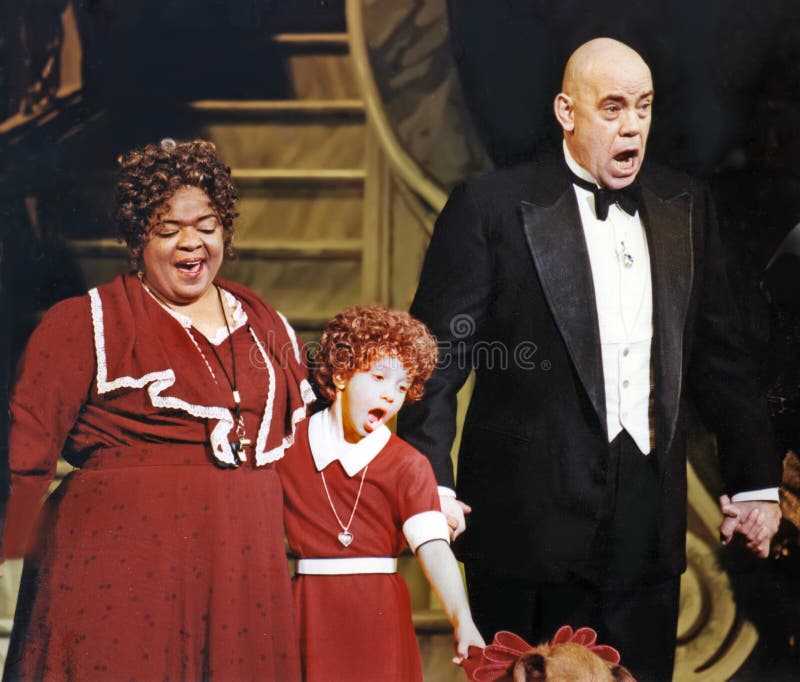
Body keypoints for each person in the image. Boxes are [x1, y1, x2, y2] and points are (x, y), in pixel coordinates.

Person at [397, 37, 783, 681]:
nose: (632, 125)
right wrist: (430, 481)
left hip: (645, 535)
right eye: (612, 108)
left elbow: (722, 359)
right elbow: (433, 358)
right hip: (526, 531)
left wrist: (753, 482)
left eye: (644, 106)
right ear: (566, 112)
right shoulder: (491, 208)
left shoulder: (685, 206)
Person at [0, 139, 313, 680]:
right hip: (118, 573)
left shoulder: (267, 328)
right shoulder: (86, 323)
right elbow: (25, 453)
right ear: (137, 237)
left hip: (241, 571)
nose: (191, 244)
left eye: (207, 226)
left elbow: (309, 449)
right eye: (168, 230)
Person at [278, 305, 484, 682]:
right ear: (341, 373)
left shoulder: (408, 465)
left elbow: (435, 550)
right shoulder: (288, 448)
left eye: (402, 386)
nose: (391, 396)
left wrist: (462, 621)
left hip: (379, 613)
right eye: (378, 377)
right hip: (308, 609)